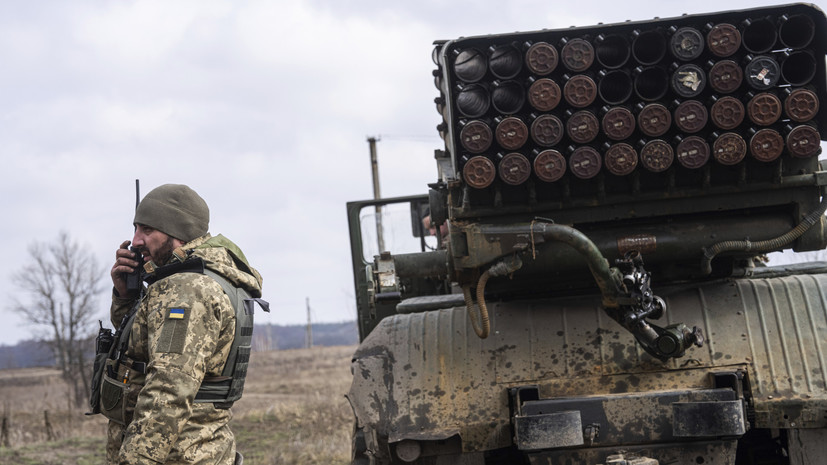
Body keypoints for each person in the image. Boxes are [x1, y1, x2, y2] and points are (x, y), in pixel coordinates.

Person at [106, 184, 263, 465]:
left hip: (177, 455)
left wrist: (135, 460)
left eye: (147, 230)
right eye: (136, 228)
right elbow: (141, 347)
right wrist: (126, 296)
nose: (136, 241)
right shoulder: (199, 278)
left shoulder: (187, 290)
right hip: (197, 450)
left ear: (177, 232)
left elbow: (168, 390)